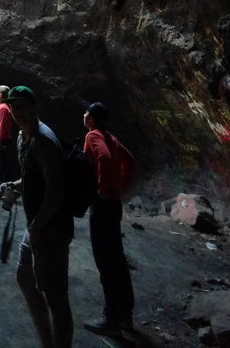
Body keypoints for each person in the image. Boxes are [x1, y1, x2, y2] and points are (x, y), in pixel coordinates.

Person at [0, 85, 73, 348]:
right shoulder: (23, 137)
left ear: (33, 106)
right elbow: (33, 180)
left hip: (51, 228)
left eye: (21, 106)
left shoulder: (43, 140)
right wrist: (14, 186)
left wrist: (39, 226)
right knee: (25, 277)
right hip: (38, 225)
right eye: (12, 106)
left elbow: (56, 190)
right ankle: (47, 342)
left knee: (55, 296)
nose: (16, 112)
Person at [81, 100, 136, 339]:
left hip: (103, 207)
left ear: (91, 119)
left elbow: (101, 157)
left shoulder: (93, 135)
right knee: (117, 260)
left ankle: (110, 317)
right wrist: (118, 187)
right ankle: (126, 316)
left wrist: (103, 190)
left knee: (105, 262)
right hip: (114, 206)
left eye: (86, 113)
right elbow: (130, 161)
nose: (83, 116)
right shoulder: (111, 136)